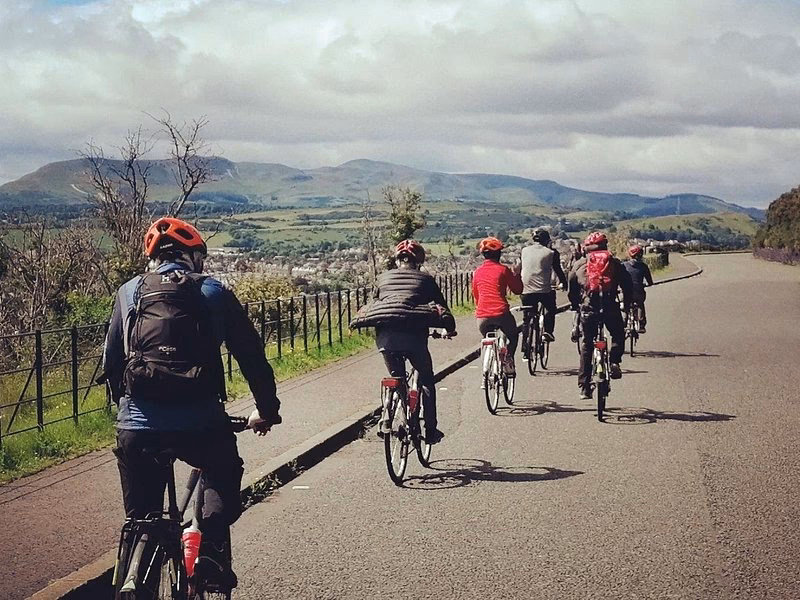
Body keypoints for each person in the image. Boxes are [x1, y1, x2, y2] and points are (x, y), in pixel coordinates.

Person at [103, 216, 281, 590]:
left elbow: (111, 364)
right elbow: (251, 356)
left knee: (141, 521)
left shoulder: (128, 292)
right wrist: (267, 410)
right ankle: (210, 551)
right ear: (193, 256)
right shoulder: (212, 291)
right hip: (202, 425)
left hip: (137, 426)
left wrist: (128, 412)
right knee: (222, 467)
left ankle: (136, 569)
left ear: (152, 257)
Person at [373, 239, 455, 445]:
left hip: (385, 338)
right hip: (414, 339)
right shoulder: (425, 279)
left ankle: (386, 416)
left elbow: (375, 306)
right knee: (426, 379)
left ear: (397, 260)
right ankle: (430, 430)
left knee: (396, 377)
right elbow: (441, 308)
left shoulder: (382, 278)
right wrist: (449, 328)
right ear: (418, 261)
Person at [568, 231, 632, 400]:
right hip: (610, 307)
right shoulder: (614, 263)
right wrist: (627, 303)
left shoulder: (580, 264)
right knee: (618, 333)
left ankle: (584, 386)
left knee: (588, 345)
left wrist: (575, 305)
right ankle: (614, 361)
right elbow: (627, 285)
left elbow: (571, 288)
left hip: (589, 309)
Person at [472, 236, 523, 375]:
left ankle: (487, 367)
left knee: (488, 336)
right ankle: (508, 360)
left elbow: (476, 296)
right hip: (501, 313)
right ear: (499, 254)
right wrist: (517, 274)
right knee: (513, 336)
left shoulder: (477, 272)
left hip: (482, 316)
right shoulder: (503, 270)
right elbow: (518, 290)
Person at [520, 228, 568, 350]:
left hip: (525, 290)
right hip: (544, 290)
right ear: (547, 240)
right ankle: (548, 331)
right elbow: (558, 270)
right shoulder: (551, 253)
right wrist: (564, 283)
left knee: (527, 318)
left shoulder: (524, 250)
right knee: (550, 309)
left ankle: (525, 346)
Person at [623, 245, 653, 333]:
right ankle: (641, 324)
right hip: (639, 290)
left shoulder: (624, 265)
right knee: (640, 304)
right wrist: (648, 284)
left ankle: (624, 320)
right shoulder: (644, 266)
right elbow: (650, 281)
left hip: (627, 290)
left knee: (625, 305)